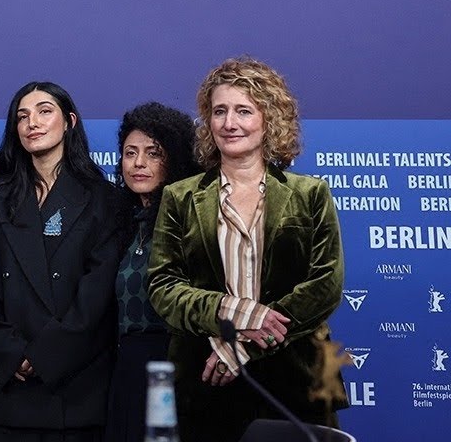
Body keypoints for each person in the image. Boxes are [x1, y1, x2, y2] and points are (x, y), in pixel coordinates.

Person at [147, 58, 346, 442]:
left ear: (268, 118)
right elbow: (163, 286)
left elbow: (325, 285)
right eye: (219, 111)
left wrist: (243, 348)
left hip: (297, 381)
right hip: (205, 381)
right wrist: (235, 311)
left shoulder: (310, 194)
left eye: (243, 110)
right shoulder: (180, 197)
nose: (229, 123)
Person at [0, 81, 120, 442]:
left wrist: (47, 355)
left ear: (70, 122)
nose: (32, 122)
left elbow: (98, 291)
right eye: (22, 116)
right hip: (2, 387)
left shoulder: (104, 201)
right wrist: (11, 353)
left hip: (75, 388)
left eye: (45, 111)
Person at [103, 102, 201, 442]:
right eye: (130, 153)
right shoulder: (122, 225)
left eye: (153, 153)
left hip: (176, 365)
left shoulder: (191, 220)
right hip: (127, 367)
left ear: (174, 160)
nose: (138, 163)